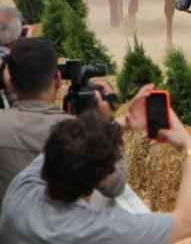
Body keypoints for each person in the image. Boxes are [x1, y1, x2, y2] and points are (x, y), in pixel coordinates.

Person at [0, 91, 191, 243]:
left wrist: (124, 123)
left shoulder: (20, 194)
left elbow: (65, 144)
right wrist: (189, 147)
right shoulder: (100, 229)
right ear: (104, 177)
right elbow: (189, 222)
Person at [0, 37, 127, 203]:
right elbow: (115, 185)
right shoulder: (77, 134)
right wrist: (103, 126)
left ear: (10, 83)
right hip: (64, 228)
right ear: (58, 80)